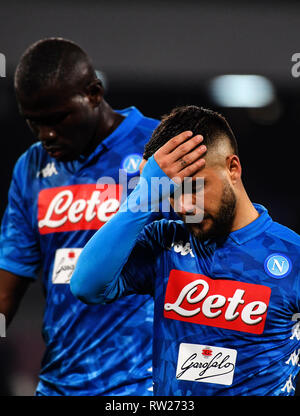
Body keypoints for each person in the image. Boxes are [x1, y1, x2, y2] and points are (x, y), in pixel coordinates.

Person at [71, 105, 300, 396]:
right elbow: (86, 286)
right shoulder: (164, 242)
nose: (184, 206)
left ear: (233, 168)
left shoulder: (293, 254)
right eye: (174, 192)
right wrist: (143, 195)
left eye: (195, 187)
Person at [0, 37, 160, 396]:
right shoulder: (32, 167)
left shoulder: (159, 148)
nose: (47, 135)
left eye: (57, 119)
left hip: (147, 387)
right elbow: (6, 289)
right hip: (60, 385)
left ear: (93, 93)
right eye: (34, 122)